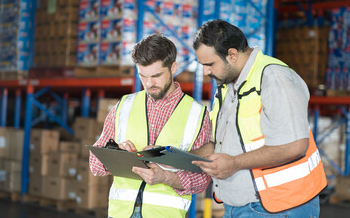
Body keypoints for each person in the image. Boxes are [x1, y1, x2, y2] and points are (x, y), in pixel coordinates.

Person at [192, 19, 327, 218]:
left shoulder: (275, 78)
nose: (206, 71)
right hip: (239, 207)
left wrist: (234, 163)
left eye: (210, 64)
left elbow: (295, 146)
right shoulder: (227, 86)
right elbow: (221, 143)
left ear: (232, 54)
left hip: (280, 207)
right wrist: (183, 157)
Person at [89, 33, 212, 218]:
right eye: (142, 76)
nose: (149, 83)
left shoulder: (197, 115)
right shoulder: (124, 106)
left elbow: (203, 178)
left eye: (156, 75)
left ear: (173, 68)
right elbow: (95, 165)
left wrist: (166, 178)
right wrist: (116, 152)